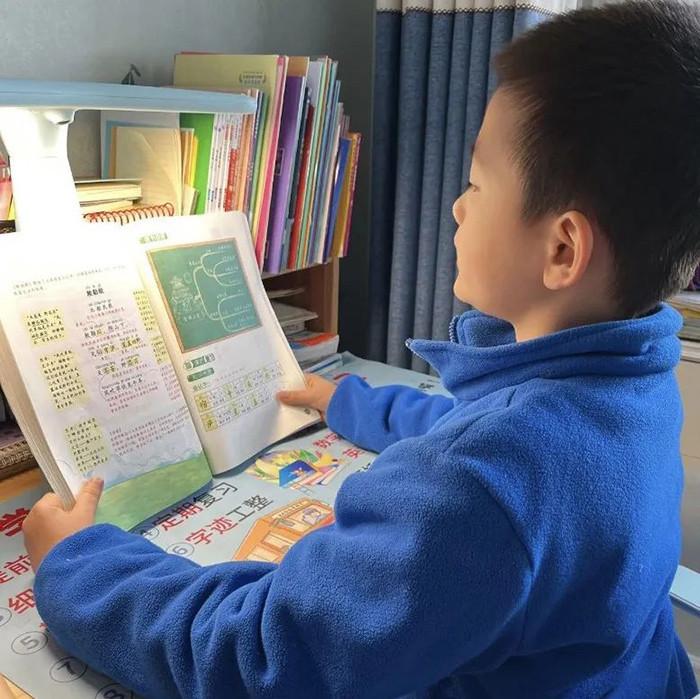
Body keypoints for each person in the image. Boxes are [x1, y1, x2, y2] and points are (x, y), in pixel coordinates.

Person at [23, 2, 700, 696]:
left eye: (476, 183)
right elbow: (477, 429)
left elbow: (265, 658)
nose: (459, 207)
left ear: (562, 250)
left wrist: (79, 565)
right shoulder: (629, 384)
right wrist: (346, 400)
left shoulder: (486, 482)